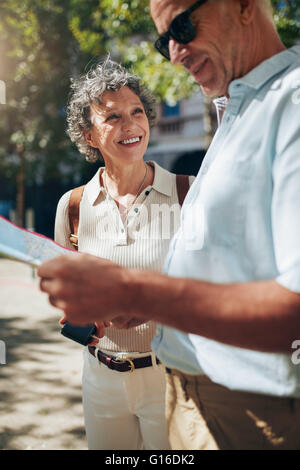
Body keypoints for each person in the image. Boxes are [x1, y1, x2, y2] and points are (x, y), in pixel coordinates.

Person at [38, 0, 300, 450]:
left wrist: (138, 293)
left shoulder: (290, 102)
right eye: (165, 40)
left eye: (183, 25)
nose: (175, 53)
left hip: (250, 410)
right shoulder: (240, 109)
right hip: (190, 397)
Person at [54, 57, 193, 450]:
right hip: (100, 379)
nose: (130, 125)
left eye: (137, 112)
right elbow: (67, 290)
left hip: (172, 377)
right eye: (112, 117)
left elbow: (220, 281)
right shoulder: (73, 205)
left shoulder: (189, 193)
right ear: (90, 136)